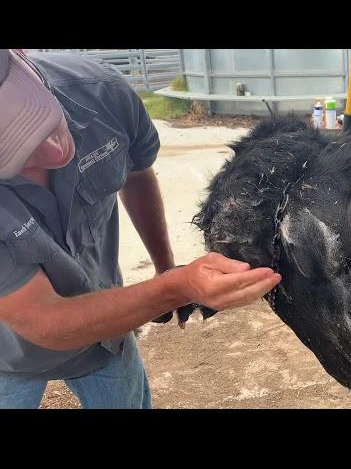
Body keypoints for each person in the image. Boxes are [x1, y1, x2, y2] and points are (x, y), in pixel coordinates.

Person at [0, 48, 281, 409]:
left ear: (21, 57)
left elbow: (135, 172)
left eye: (34, 119)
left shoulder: (102, 92)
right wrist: (175, 287)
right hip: (9, 356)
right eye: (12, 152)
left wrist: (164, 263)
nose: (54, 153)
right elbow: (44, 318)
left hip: (106, 332)